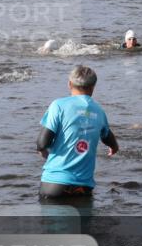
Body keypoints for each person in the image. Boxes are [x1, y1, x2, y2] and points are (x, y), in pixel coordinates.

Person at [36, 65, 118, 199]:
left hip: (55, 184)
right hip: (83, 187)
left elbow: (41, 143)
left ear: (69, 84)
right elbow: (108, 138)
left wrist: (42, 151)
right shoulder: (99, 111)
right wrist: (114, 147)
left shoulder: (58, 105)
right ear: (93, 87)